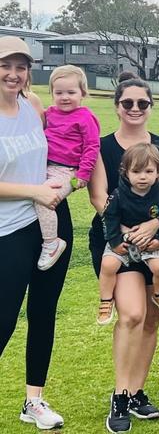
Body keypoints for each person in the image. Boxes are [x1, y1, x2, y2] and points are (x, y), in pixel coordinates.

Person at [87, 72, 159, 433]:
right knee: (131, 315)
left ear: (151, 106)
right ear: (117, 107)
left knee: (151, 318)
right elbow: (99, 198)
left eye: (143, 103)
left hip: (157, 241)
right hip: (118, 241)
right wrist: (128, 232)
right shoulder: (103, 146)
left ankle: (138, 391)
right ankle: (120, 395)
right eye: (128, 102)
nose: (135, 108)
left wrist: (155, 227)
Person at [0, 36, 72, 430]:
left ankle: (34, 402)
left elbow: (55, 153)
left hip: (47, 226)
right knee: (4, 320)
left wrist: (67, 181)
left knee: (43, 315)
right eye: (5, 65)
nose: (13, 74)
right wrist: (34, 191)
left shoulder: (32, 106)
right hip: (7, 233)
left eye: (20, 66)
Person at [98, 143, 159, 326]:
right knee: (108, 265)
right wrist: (115, 241)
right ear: (126, 172)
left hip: (151, 242)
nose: (142, 177)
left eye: (149, 171)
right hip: (122, 241)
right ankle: (105, 300)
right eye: (136, 171)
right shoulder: (117, 195)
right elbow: (109, 218)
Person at [35, 65, 99, 270]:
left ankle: (52, 242)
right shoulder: (50, 113)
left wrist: (84, 174)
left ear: (82, 93)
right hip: (45, 166)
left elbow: (92, 146)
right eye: (58, 92)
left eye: (71, 92)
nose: (64, 97)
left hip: (67, 171)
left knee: (44, 199)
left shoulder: (85, 117)